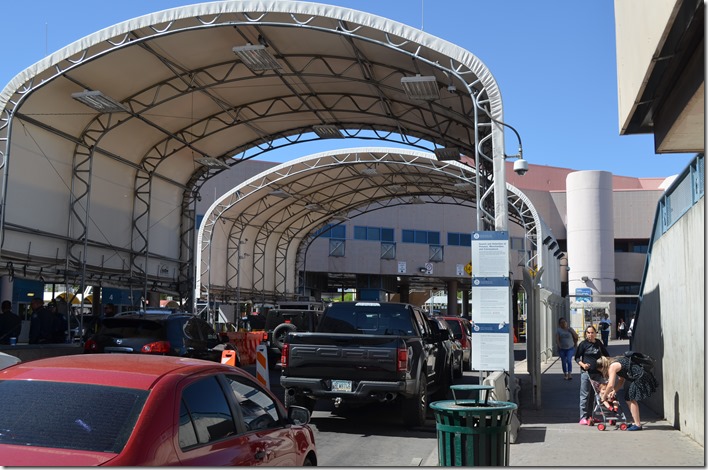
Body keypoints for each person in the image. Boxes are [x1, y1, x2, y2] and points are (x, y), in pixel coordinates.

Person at [596, 354, 659, 431]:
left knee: (630, 398)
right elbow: (621, 380)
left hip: (639, 377)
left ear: (603, 367)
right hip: (640, 376)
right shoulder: (616, 362)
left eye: (601, 370)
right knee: (629, 398)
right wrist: (614, 391)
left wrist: (604, 396)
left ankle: (637, 424)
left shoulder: (612, 367)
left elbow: (610, 384)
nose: (603, 372)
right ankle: (635, 422)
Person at [574, 325, 610, 425]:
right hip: (586, 373)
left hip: (598, 374)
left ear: (595, 333)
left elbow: (606, 355)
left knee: (595, 396)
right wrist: (583, 365)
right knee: (585, 395)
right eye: (588, 333)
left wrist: (605, 367)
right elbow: (577, 358)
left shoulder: (598, 343)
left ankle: (591, 416)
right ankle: (583, 417)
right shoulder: (583, 344)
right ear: (586, 334)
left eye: (592, 332)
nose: (590, 334)